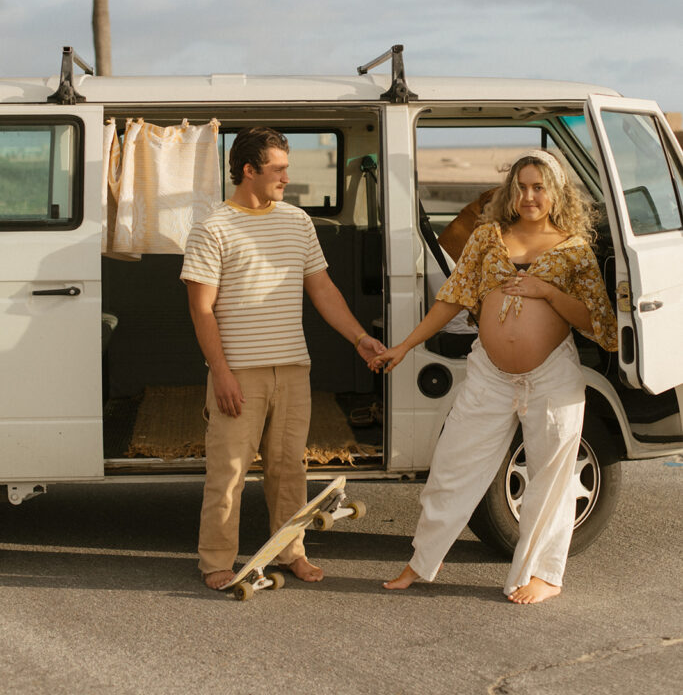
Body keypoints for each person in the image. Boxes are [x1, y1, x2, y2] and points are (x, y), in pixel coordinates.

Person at [371, 150, 617, 604]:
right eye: (521, 186)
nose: (528, 196)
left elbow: (595, 322)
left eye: (539, 187)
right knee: (452, 465)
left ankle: (542, 575)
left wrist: (546, 291)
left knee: (551, 474)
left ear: (556, 193)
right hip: (489, 372)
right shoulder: (487, 238)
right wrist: (405, 345)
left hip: (551, 374)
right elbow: (452, 298)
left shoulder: (576, 250)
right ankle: (421, 561)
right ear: (510, 190)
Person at [181, 126, 385, 591]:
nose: (286, 178)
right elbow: (201, 309)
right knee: (228, 472)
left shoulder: (297, 222)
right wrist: (222, 374)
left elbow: (324, 290)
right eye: (278, 169)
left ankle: (291, 551)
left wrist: (358, 338)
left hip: (293, 368)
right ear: (248, 170)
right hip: (240, 374)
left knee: (289, 467)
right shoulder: (212, 227)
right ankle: (216, 562)